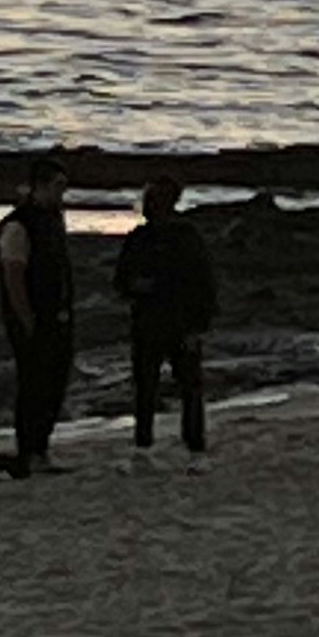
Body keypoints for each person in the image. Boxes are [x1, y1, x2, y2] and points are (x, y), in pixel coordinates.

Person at [115, 168, 219, 457]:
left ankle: (183, 444)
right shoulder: (147, 238)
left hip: (173, 322)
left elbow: (202, 284)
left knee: (178, 386)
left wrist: (198, 325)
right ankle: (159, 444)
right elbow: (122, 279)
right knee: (159, 387)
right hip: (156, 322)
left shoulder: (180, 238)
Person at [0, 152, 76, 474]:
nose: (61, 193)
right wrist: (25, 317)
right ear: (39, 186)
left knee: (55, 382)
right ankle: (28, 451)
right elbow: (13, 275)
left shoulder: (54, 219)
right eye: (57, 186)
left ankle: (41, 448)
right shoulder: (18, 224)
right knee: (34, 384)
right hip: (32, 316)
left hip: (59, 312)